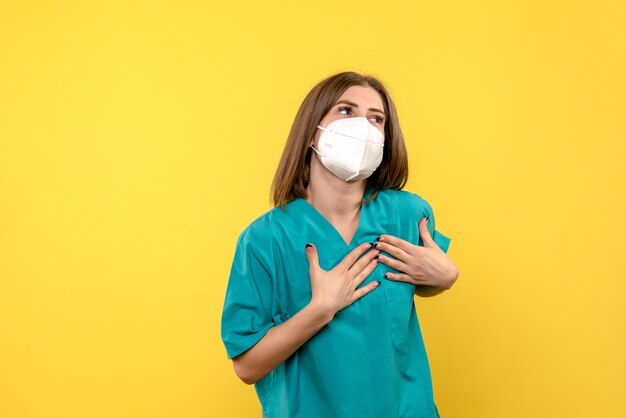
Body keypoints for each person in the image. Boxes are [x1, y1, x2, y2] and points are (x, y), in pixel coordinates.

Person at [220, 71, 459, 418]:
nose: (363, 126)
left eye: (376, 119)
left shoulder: (408, 215)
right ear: (312, 129)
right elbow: (246, 366)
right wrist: (321, 309)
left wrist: (446, 277)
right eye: (346, 111)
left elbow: (415, 287)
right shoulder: (264, 240)